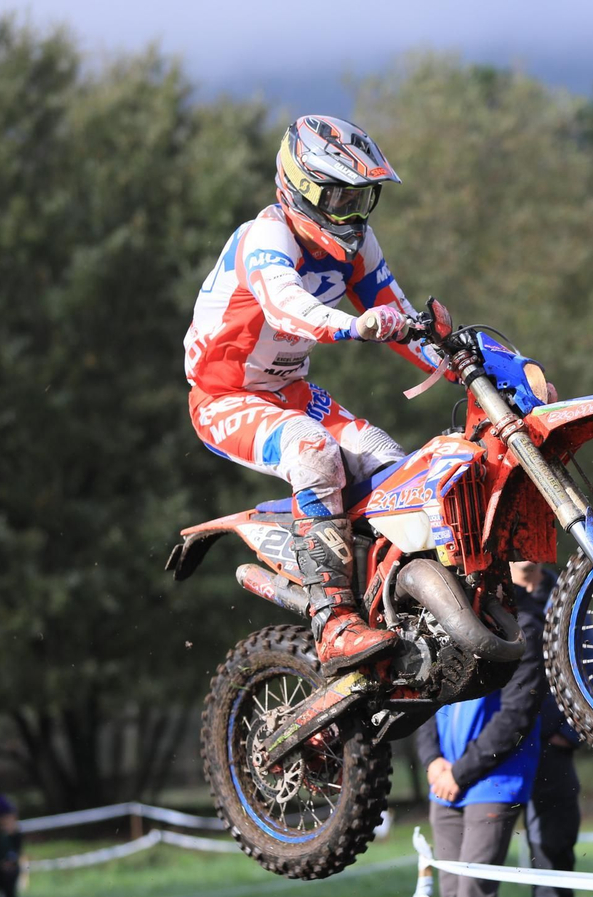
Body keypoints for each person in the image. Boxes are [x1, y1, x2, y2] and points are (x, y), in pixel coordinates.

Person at [183, 115, 448, 675]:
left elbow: (400, 317)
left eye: (362, 198)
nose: (352, 213)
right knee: (312, 451)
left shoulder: (357, 243)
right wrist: (357, 327)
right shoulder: (267, 236)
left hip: (289, 389)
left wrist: (471, 365)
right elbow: (287, 308)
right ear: (301, 189)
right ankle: (335, 624)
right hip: (224, 396)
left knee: (396, 465)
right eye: (340, 196)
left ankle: (406, 610)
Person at [417, 679, 542, 897]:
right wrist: (431, 759)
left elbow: (516, 712)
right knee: (453, 893)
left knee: (474, 889)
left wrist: (461, 771)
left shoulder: (520, 627)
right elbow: (424, 699)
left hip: (495, 780)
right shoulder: (440, 629)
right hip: (443, 782)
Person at [513, 559, 581, 897]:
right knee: (474, 866)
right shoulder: (482, 594)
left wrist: (571, 730)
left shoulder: (570, 592)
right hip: (495, 753)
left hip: (552, 752)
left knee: (553, 858)